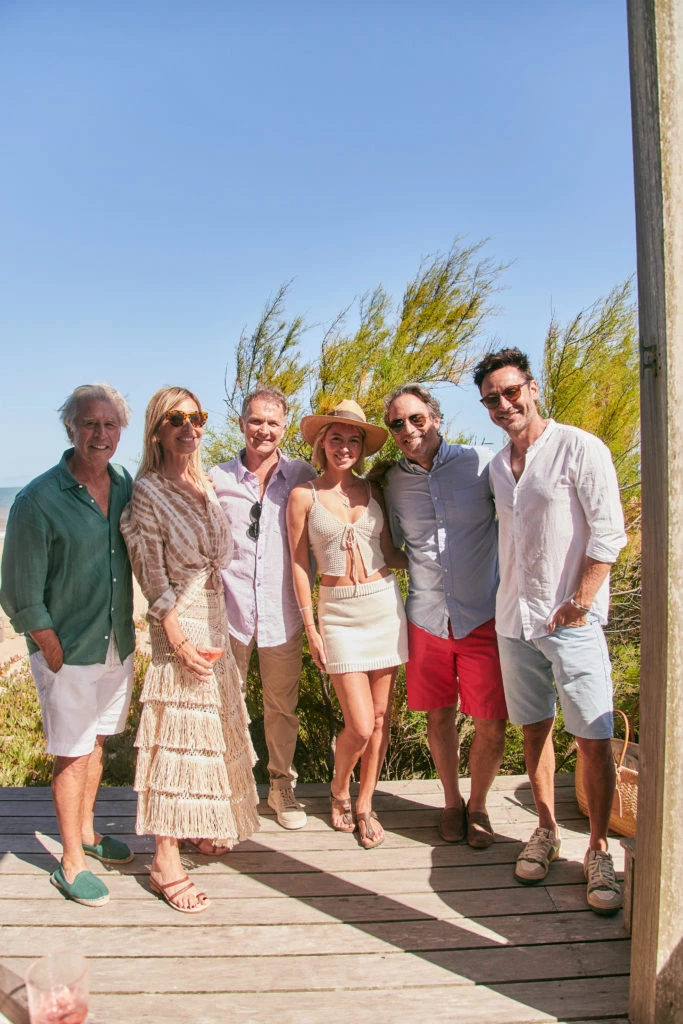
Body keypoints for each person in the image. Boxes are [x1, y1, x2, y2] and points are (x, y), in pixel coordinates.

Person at [473, 347, 627, 914]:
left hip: (572, 622)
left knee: (592, 737)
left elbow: (609, 534)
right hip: (514, 620)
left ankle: (599, 847)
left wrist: (580, 602)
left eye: (511, 392)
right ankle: (544, 830)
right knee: (534, 731)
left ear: (532, 388)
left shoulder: (579, 447)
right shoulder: (496, 465)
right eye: (492, 398)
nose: (504, 404)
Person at [120, 386, 260, 914]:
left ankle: (200, 826)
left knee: (207, 731)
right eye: (175, 418)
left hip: (214, 615)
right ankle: (163, 861)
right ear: (157, 429)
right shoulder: (149, 491)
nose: (189, 426)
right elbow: (150, 574)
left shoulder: (201, 483)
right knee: (173, 738)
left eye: (196, 417)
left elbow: (222, 556)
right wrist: (175, 636)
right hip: (177, 619)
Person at [0, 384, 136, 907]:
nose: (99, 434)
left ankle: (86, 835)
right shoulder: (37, 499)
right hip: (68, 650)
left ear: (120, 430)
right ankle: (71, 864)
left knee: (96, 745)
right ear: (70, 428)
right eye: (89, 424)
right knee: (70, 753)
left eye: (109, 425)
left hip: (115, 645)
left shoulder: (124, 484)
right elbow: (19, 592)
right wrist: (51, 648)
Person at [383, 383, 507, 849]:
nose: (408, 429)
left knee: (491, 720)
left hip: (482, 618)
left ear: (436, 418)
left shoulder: (481, 463)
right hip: (427, 619)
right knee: (439, 718)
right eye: (397, 423)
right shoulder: (390, 481)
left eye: (416, 419)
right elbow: (389, 546)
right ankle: (452, 803)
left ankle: (479, 806)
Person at [287, 400, 409, 848]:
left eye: (353, 439)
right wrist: (312, 627)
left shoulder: (375, 490)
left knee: (379, 719)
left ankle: (363, 803)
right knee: (358, 724)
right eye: (336, 437)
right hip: (337, 613)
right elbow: (299, 566)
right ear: (322, 442)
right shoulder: (304, 496)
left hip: (382, 605)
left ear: (362, 447)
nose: (344, 446)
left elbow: (393, 551)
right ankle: (339, 788)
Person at [210, 386, 316, 830]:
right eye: (256, 421)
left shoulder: (303, 475)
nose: (264, 430)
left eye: (272, 422)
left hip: (282, 615)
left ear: (285, 427)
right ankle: (232, 786)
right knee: (226, 706)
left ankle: (280, 786)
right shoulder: (216, 479)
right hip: (229, 616)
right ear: (241, 424)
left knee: (281, 707)